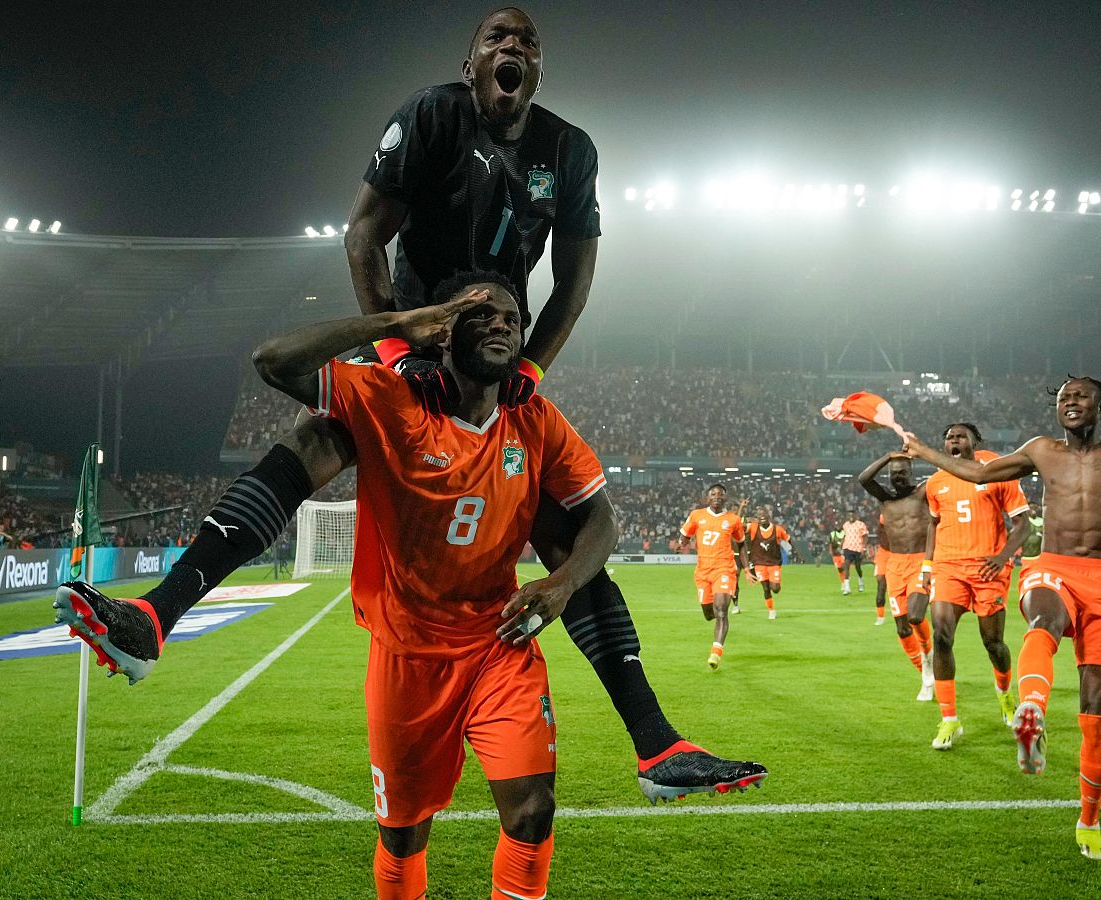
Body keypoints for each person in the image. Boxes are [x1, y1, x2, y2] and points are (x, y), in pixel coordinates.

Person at [53, 7, 763, 801]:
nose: (511, 47)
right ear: (471, 66)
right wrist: (394, 350)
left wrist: (530, 366)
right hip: (420, 335)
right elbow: (363, 235)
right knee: (314, 443)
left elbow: (575, 280)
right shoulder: (431, 115)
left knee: (566, 538)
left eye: (525, 41)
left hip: (498, 349)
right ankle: (157, 617)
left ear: (538, 70)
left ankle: (655, 744)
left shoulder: (570, 150)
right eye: (496, 38)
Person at [66, 276, 613, 899]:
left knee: (533, 811)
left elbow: (602, 516)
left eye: (512, 316)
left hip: (500, 646)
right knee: (404, 835)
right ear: (442, 329)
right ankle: (162, 611)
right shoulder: (388, 397)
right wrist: (394, 324)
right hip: (407, 656)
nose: (501, 324)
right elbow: (274, 360)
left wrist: (563, 584)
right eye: (479, 313)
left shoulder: (535, 418)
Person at [902, 350, 1101, 860]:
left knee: (1096, 708)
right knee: (1042, 615)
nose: (1071, 400)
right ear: (1056, 410)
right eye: (1064, 396)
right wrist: (924, 451)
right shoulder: (1040, 451)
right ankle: (1030, 709)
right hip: (1052, 564)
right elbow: (978, 476)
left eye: (1081, 395)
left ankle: (1089, 820)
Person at [920, 424, 1033, 750]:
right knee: (941, 636)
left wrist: (1002, 557)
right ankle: (950, 719)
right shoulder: (936, 481)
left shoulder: (998, 471)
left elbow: (1022, 524)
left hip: (988, 569)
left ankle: (1005, 696)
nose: (953, 440)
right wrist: (927, 567)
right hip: (948, 567)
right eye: (948, 437)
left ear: (975, 441)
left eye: (960, 435)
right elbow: (934, 525)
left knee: (993, 643)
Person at [857, 452, 937, 700]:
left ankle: (928, 658)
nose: (897, 477)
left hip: (919, 561)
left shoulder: (923, 492)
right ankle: (926, 673)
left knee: (915, 616)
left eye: (902, 472)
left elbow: (944, 473)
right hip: (894, 565)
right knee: (902, 629)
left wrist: (919, 452)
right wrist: (888, 457)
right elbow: (864, 478)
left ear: (912, 473)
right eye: (893, 474)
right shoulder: (885, 498)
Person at [681, 485, 748, 668]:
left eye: (720, 494)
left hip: (724, 569)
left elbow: (741, 544)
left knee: (721, 611)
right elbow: (685, 534)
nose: (717, 496)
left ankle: (716, 653)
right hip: (703, 572)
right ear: (707, 498)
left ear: (725, 498)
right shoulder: (697, 515)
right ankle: (714, 623)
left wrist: (747, 569)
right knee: (709, 613)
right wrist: (682, 543)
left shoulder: (733, 520)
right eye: (713, 494)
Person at [744, 505, 790, 619]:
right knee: (765, 588)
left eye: (763, 513)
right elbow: (740, 525)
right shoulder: (753, 527)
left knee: (775, 589)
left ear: (768, 515)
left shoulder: (777, 529)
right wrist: (742, 509)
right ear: (757, 518)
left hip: (774, 563)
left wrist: (798, 554)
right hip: (759, 563)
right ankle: (771, 610)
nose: (762, 516)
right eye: (759, 515)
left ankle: (775, 585)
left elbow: (789, 539)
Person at [839, 511, 869, 594]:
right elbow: (844, 535)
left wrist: (864, 548)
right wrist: (841, 544)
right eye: (849, 515)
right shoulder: (845, 525)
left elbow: (865, 536)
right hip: (847, 547)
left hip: (858, 548)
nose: (851, 517)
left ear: (856, 516)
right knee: (846, 565)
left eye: (852, 515)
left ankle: (861, 581)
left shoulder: (860, 524)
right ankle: (847, 588)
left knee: (857, 567)